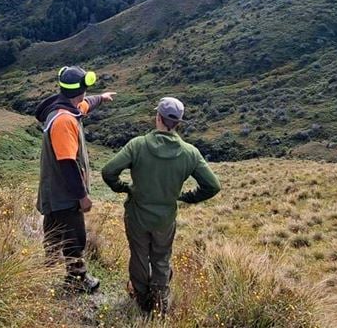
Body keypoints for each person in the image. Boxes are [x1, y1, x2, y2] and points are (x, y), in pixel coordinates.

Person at [101, 97, 220, 316]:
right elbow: (212, 186)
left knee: (138, 255)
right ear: (178, 123)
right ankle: (160, 302)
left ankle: (141, 298)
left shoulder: (137, 145)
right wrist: (186, 197)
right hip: (165, 217)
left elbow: (108, 171)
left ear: (158, 117)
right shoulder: (190, 153)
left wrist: (124, 188)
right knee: (161, 258)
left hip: (137, 214)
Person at [34, 66, 116, 293]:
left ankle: (46, 269)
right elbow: (68, 164)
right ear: (80, 90)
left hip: (54, 190)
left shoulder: (64, 107)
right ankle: (77, 279)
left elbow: (85, 104)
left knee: (54, 229)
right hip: (64, 193)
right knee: (74, 235)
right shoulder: (64, 122)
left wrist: (102, 97)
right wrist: (82, 197)